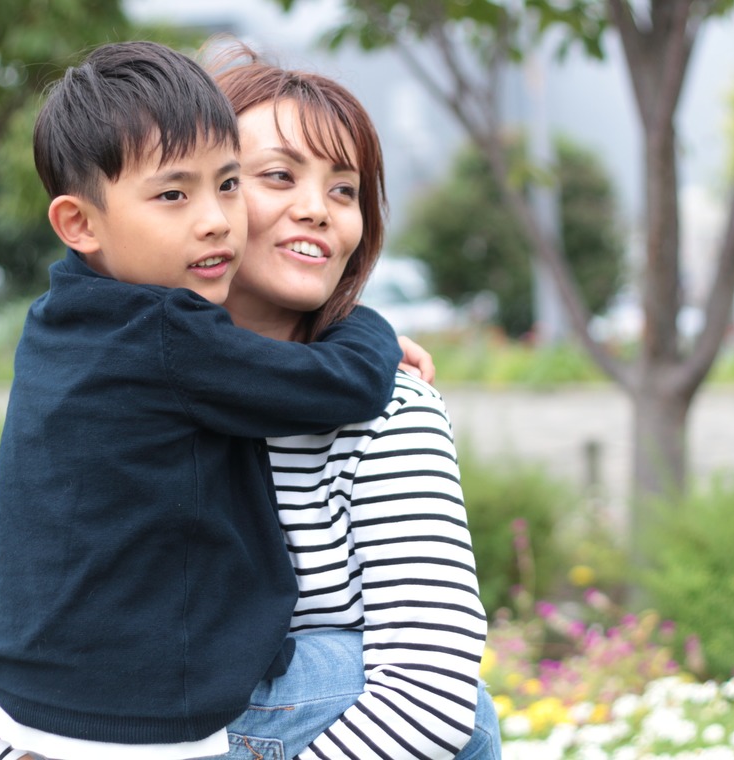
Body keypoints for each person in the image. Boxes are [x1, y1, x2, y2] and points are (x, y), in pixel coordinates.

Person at [0, 40, 404, 760]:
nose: (217, 220)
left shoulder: (60, 319)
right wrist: (368, 330)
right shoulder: (167, 332)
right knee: (468, 717)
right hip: (130, 717)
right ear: (80, 224)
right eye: (173, 194)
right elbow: (339, 386)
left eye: (228, 185)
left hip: (7, 689)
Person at [207, 44, 501, 760]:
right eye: (279, 176)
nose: (318, 210)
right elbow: (9, 634)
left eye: (345, 191)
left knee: (343, 679)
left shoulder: (386, 408)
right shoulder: (113, 392)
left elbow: (431, 694)